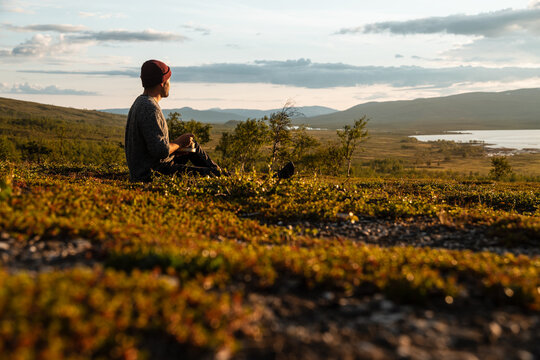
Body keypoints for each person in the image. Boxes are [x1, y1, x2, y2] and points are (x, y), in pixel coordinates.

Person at [125, 59, 224, 182]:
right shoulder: (150, 108)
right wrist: (179, 143)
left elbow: (152, 149)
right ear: (162, 82)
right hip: (152, 174)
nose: (170, 84)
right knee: (213, 173)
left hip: (147, 168)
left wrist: (177, 149)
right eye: (169, 80)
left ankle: (221, 173)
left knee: (193, 147)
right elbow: (160, 151)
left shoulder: (140, 102)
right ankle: (224, 176)